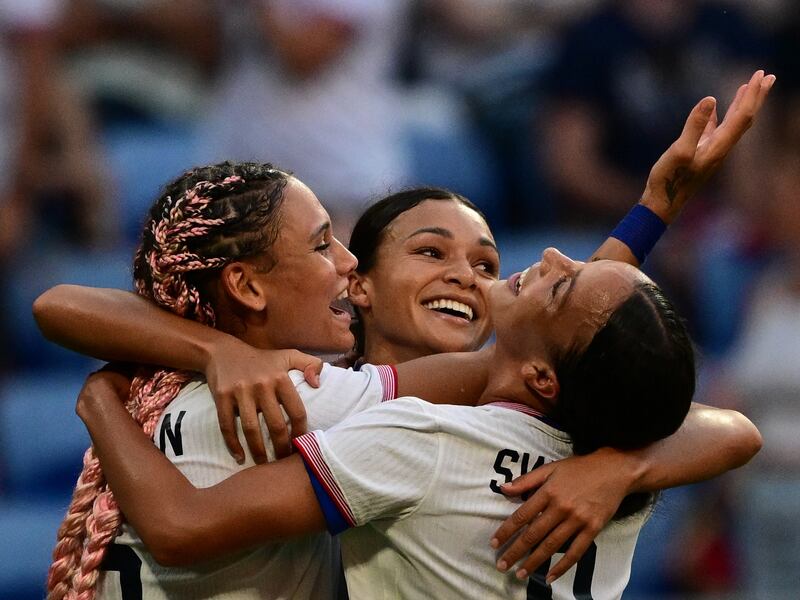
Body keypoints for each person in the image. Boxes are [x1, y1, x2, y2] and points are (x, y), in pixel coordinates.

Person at [34, 72, 772, 595]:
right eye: (429, 252)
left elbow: (586, 349)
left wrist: (104, 393)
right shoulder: (342, 406)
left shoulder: (422, 424)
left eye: (486, 262)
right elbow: (586, 356)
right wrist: (627, 468)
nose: (470, 276)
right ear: (361, 288)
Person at [72, 244, 761, 599]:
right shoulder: (619, 450)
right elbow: (732, 429)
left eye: (563, 280)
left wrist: (103, 397)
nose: (551, 257)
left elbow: (180, 527)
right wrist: (625, 466)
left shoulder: (419, 439)